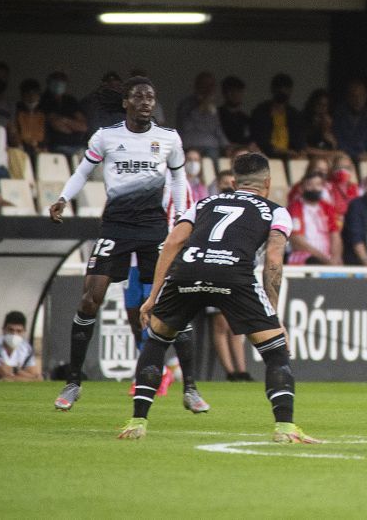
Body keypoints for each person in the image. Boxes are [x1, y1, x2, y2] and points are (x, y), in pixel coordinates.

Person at [120, 153, 320, 445]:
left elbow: (173, 242)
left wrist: (153, 296)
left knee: (157, 341)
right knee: (276, 351)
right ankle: (285, 428)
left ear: (233, 182)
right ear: (267, 182)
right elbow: (274, 259)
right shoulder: (275, 211)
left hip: (187, 271)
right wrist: (271, 315)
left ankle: (137, 421)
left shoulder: (203, 203)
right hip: (234, 274)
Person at [49, 76, 207, 414]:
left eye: (151, 96)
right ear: (126, 102)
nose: (147, 102)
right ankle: (73, 383)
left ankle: (191, 388)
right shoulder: (106, 137)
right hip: (115, 227)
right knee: (91, 299)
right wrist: (63, 197)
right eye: (139, 96)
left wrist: (181, 219)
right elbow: (82, 171)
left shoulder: (168, 139)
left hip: (153, 230)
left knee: (171, 305)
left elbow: (179, 179)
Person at [205, 170, 251, 381]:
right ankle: (231, 371)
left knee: (235, 324)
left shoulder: (241, 210)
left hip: (233, 268)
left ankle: (241, 369)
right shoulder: (207, 206)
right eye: (222, 183)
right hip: (214, 267)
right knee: (221, 323)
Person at [287, 172, 342, 265]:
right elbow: (297, 240)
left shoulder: (328, 208)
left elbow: (335, 235)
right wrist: (325, 260)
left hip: (328, 258)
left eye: (318, 185)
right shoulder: (294, 208)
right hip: (305, 257)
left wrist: (335, 258)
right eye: (310, 185)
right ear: (301, 188)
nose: (314, 188)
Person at [251, 73, 306, 159]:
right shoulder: (261, 112)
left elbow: (299, 139)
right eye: (280, 88)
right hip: (267, 156)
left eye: (286, 88)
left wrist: (300, 152)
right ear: (273, 89)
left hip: (292, 158)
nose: (283, 91)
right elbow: (261, 140)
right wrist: (284, 152)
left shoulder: (294, 114)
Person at [177, 72, 228, 162]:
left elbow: (217, 128)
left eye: (211, 85)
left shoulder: (213, 107)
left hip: (211, 147)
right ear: (197, 86)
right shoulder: (186, 103)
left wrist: (227, 145)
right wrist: (202, 106)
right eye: (205, 85)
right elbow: (185, 126)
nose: (209, 89)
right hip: (191, 146)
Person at [41, 71, 88, 158]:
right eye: (56, 81)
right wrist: (73, 124)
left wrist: (64, 120)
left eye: (62, 81)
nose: (59, 84)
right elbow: (57, 125)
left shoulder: (70, 100)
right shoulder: (44, 100)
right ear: (49, 83)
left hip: (78, 146)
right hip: (57, 146)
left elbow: (83, 127)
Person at [333, 80, 367, 162]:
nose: (358, 100)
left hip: (363, 159)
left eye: (361, 96)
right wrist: (356, 156)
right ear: (348, 97)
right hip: (343, 157)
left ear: (366, 97)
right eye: (354, 96)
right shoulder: (339, 114)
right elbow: (339, 142)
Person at [14, 79, 47, 159]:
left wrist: (40, 147)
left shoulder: (43, 115)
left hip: (40, 152)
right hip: (22, 151)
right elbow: (15, 134)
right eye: (28, 94)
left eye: (34, 94)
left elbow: (47, 138)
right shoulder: (16, 112)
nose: (31, 97)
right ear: (22, 95)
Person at [327, 155, 360, 227]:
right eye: (338, 167)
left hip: (353, 222)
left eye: (346, 168)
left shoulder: (356, 188)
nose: (342, 170)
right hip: (336, 223)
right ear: (333, 170)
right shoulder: (328, 186)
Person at [218, 76, 250, 147]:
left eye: (238, 91)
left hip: (241, 153)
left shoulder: (246, 119)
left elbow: (248, 139)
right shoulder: (216, 115)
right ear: (224, 93)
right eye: (231, 91)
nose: (235, 94)